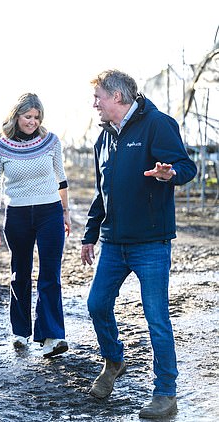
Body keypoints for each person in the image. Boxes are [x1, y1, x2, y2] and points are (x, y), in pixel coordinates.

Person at [80, 70, 196, 419]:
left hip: (150, 243)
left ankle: (165, 394)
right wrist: (89, 234)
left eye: (98, 96)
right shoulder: (104, 139)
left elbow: (186, 166)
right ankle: (114, 361)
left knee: (156, 318)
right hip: (114, 242)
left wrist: (170, 173)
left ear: (117, 97)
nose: (95, 103)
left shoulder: (157, 124)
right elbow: (103, 194)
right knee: (97, 304)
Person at [0, 93, 71, 358]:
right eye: (27, 117)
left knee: (50, 274)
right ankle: (20, 331)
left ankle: (51, 336)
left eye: (36, 117)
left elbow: (61, 178)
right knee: (19, 273)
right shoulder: (0, 148)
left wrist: (66, 212)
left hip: (50, 213)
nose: (32, 122)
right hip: (18, 215)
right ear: (16, 116)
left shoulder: (51, 141)